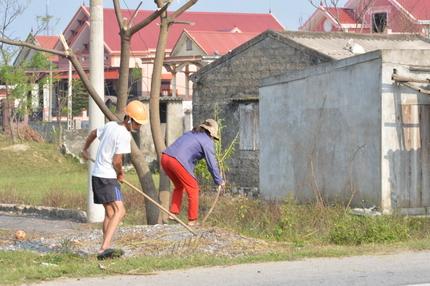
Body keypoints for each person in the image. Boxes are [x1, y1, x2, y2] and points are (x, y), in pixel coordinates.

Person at [81, 100, 149, 259]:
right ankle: (104, 247)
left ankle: (106, 249)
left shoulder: (111, 125)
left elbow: (92, 133)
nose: (139, 126)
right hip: (108, 177)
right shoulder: (125, 135)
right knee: (120, 211)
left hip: (97, 175)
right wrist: (120, 174)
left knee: (110, 213)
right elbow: (116, 161)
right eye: (138, 123)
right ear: (129, 119)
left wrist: (85, 149)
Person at [161, 119, 225, 226]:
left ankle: (173, 213)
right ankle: (192, 220)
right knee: (194, 189)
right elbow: (212, 165)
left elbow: (188, 157)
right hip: (177, 161)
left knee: (179, 185)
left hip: (165, 158)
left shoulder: (190, 134)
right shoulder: (207, 142)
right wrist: (219, 180)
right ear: (211, 133)